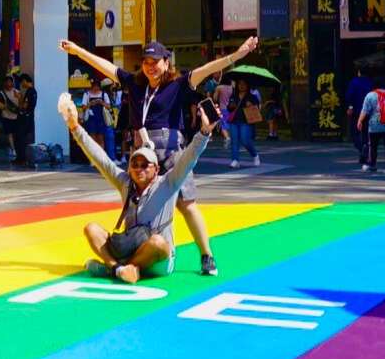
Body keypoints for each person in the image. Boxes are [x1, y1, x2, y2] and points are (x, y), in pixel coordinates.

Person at [60, 35, 260, 277]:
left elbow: (206, 70)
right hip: (143, 152)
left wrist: (236, 56)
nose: (150, 66)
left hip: (171, 149)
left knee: (187, 204)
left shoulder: (177, 85)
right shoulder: (134, 83)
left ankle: (207, 255)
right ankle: (130, 256)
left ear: (167, 62)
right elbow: (106, 66)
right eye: (146, 61)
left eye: (155, 61)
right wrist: (78, 51)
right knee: (137, 199)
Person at [59, 92, 217, 284]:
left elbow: (190, 157)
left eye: (145, 165)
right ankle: (117, 268)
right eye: (135, 164)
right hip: (128, 248)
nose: (139, 169)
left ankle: (122, 269)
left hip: (158, 259)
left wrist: (205, 132)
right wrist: (75, 128)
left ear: (156, 168)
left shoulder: (168, 182)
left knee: (158, 242)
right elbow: (100, 158)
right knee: (91, 229)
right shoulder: (125, 182)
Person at [357, 77, 385, 174]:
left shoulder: (370, 95)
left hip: (375, 126)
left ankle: (372, 165)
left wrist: (360, 121)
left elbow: (365, 110)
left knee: (373, 146)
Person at [224, 84, 260, 169]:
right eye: (239, 84)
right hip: (234, 120)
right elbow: (228, 107)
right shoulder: (233, 95)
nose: (241, 86)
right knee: (234, 141)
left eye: (243, 83)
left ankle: (254, 154)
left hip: (246, 121)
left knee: (245, 140)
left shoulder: (252, 97)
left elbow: (257, 108)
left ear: (247, 85)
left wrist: (251, 105)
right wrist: (230, 106)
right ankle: (235, 160)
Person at [344, 65, 373, 163]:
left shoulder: (354, 82)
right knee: (365, 132)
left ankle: (361, 148)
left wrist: (350, 107)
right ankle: (365, 148)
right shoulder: (370, 82)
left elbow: (349, 95)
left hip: (356, 110)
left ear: (359, 72)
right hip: (368, 111)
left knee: (354, 133)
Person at [81, 82, 117, 158]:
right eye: (94, 87)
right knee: (92, 139)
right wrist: (90, 104)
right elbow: (83, 107)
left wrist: (101, 102)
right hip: (91, 118)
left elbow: (108, 106)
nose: (96, 88)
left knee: (101, 138)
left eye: (97, 87)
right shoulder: (87, 94)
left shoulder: (104, 94)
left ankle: (101, 158)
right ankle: (93, 159)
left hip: (101, 118)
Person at [13, 73, 39, 167]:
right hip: (28, 119)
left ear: (24, 81)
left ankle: (22, 158)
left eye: (21, 82)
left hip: (25, 119)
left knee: (20, 139)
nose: (21, 84)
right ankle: (22, 158)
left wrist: (19, 98)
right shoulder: (32, 91)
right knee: (22, 139)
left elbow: (24, 106)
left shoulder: (30, 92)